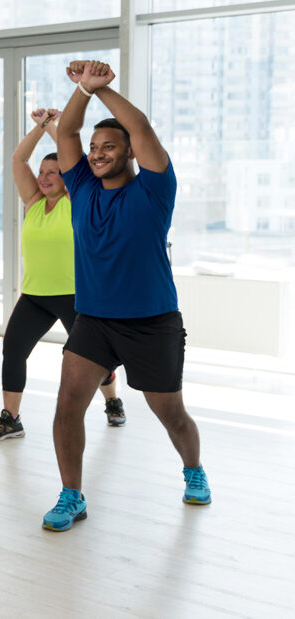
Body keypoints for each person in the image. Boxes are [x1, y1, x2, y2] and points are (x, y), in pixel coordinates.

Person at [42, 60, 210, 532]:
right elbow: (68, 130)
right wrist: (82, 91)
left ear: (131, 152)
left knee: (170, 414)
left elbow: (142, 127)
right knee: (67, 406)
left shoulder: (155, 189)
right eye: (93, 148)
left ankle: (194, 471)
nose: (96, 154)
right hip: (93, 320)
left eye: (108, 146)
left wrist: (104, 92)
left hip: (151, 322)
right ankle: (72, 495)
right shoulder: (80, 187)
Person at [0, 108, 124, 442]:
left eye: (54, 172)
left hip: (77, 296)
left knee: (95, 360)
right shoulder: (32, 201)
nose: (44, 177)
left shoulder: (77, 201)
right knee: (13, 350)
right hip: (35, 296)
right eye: (42, 172)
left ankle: (113, 400)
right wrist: (39, 127)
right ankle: (11, 418)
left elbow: (71, 153)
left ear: (68, 176)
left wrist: (55, 129)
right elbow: (18, 160)